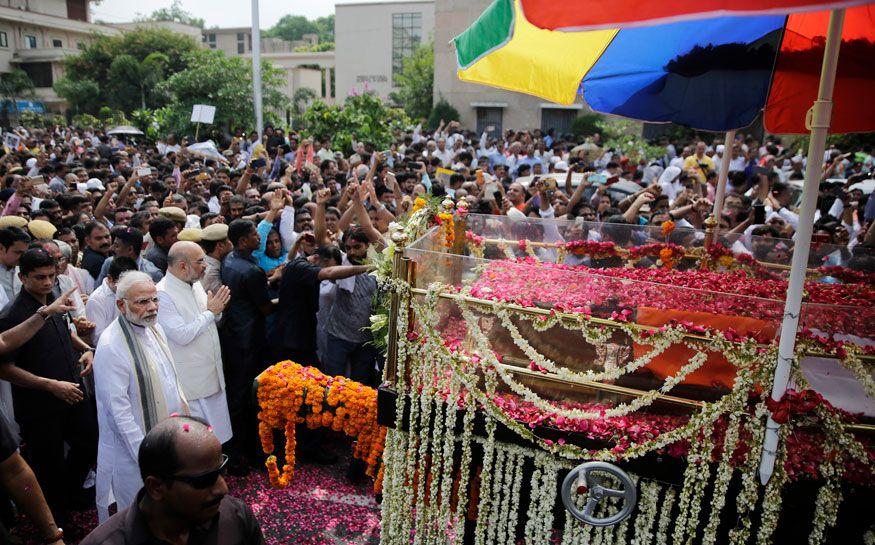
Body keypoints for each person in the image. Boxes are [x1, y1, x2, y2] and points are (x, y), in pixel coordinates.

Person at [0, 249, 98, 531]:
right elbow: (5, 368)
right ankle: (58, 524)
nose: (46, 283)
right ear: (22, 277)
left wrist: (86, 349)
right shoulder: (12, 315)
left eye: (51, 277)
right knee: (49, 466)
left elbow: (65, 331)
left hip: (73, 393)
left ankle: (68, 496)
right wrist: (50, 386)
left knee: (88, 444)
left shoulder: (55, 301)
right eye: (39, 277)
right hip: (40, 406)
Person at [92, 271, 189, 522]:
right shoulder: (111, 344)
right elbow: (119, 414)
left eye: (154, 300)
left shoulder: (154, 329)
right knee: (139, 518)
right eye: (142, 302)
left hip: (164, 440)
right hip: (133, 453)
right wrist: (146, 456)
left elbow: (171, 380)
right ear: (121, 305)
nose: (152, 308)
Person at [80, 415, 265, 545]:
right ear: (156, 487)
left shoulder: (236, 517)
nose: (223, 489)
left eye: (222, 471)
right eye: (203, 480)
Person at [157, 242, 233, 445]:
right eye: (200, 261)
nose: (205, 266)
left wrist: (215, 313)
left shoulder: (196, 283)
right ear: (182, 265)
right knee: (197, 441)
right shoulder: (162, 293)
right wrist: (211, 313)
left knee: (219, 436)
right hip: (190, 382)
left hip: (211, 372)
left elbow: (208, 320)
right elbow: (181, 334)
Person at [219, 220, 274, 471]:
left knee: (237, 396)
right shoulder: (251, 271)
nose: (259, 238)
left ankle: (237, 448)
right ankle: (241, 453)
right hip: (249, 339)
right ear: (243, 241)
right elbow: (265, 306)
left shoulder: (230, 259)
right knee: (245, 399)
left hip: (234, 335)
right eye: (255, 235)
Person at [269, 245, 369, 367]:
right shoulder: (301, 267)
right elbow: (329, 273)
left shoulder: (301, 267)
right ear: (316, 258)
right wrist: (367, 267)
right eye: (326, 265)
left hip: (301, 336)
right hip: (292, 338)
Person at [86, 256, 138, 343]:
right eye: (123, 284)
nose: (128, 288)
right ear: (110, 279)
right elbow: (97, 338)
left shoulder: (134, 291)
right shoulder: (96, 300)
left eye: (131, 283)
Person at [96, 226, 163, 286]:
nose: (111, 248)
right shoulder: (109, 263)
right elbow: (97, 290)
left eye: (116, 246)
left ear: (130, 250)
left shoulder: (152, 273)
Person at [199, 223, 232, 297]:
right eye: (230, 240)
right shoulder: (212, 273)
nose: (232, 243)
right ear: (220, 246)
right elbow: (222, 302)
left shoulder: (205, 261)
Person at [0, 226, 29, 306]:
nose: (22, 256)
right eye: (18, 252)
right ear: (1, 248)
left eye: (24, 253)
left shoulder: (26, 268)